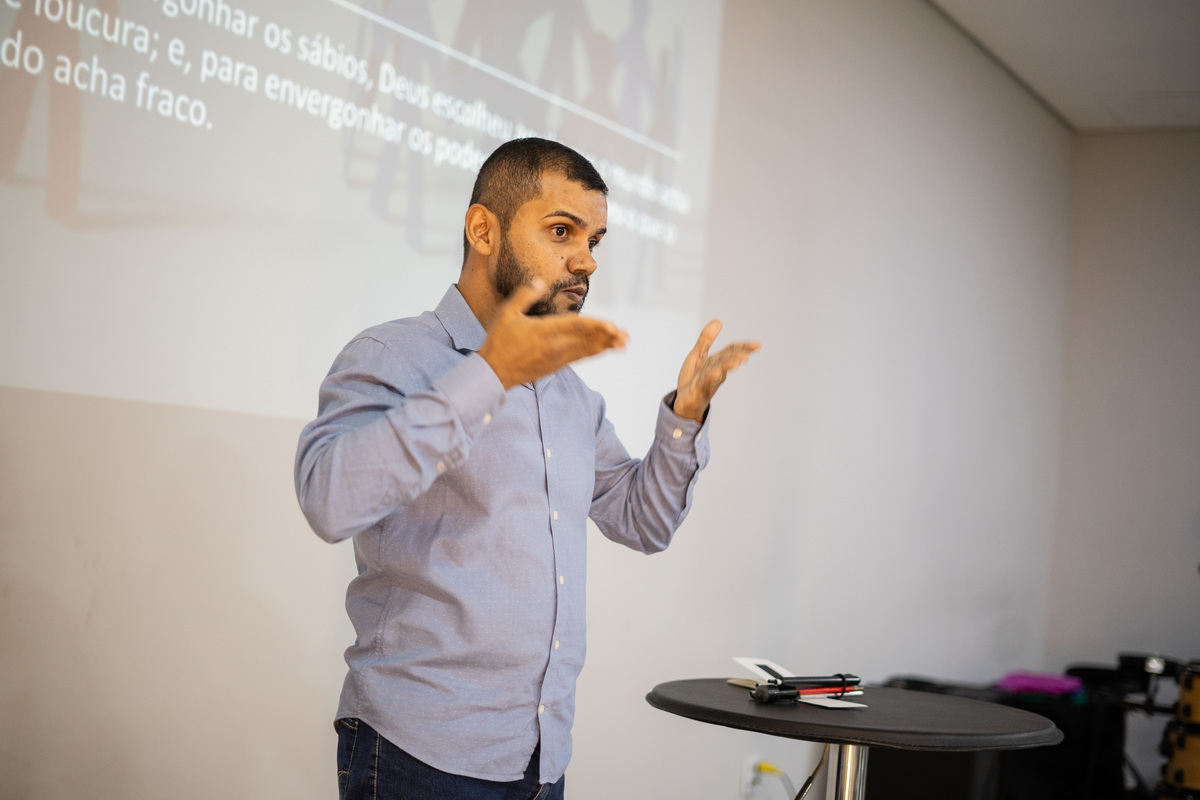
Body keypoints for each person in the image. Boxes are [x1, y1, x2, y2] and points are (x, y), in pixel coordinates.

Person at [294, 137, 759, 800]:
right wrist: (489, 375)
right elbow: (329, 500)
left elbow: (642, 521)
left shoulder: (570, 395)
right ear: (484, 230)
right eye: (562, 231)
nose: (585, 261)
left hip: (539, 759)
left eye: (596, 240)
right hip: (417, 753)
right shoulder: (392, 354)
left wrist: (683, 417)